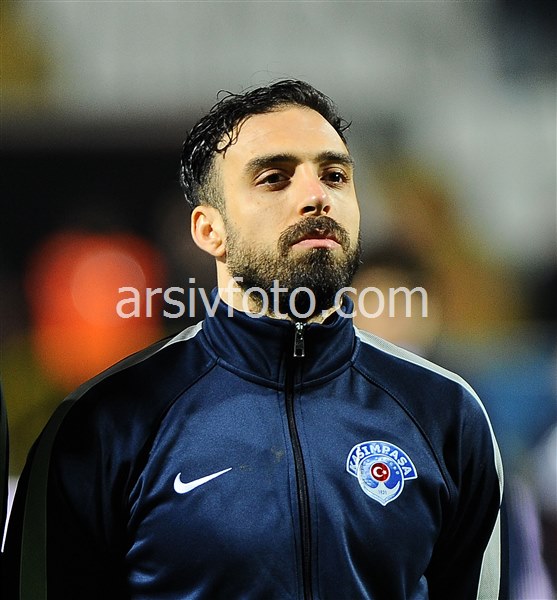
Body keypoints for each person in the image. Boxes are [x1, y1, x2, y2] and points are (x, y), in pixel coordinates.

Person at [3, 80, 507, 599]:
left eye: (335, 176)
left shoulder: (447, 414)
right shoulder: (104, 424)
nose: (317, 197)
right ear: (209, 230)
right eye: (274, 178)